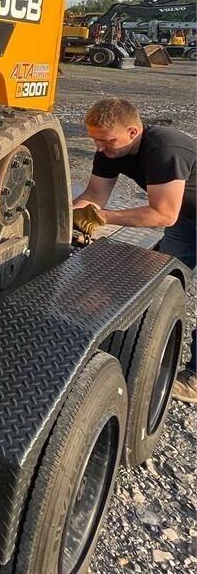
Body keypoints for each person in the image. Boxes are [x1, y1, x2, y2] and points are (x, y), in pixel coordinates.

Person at [73, 98, 196, 403]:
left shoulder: (165, 148)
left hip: (176, 215)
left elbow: (163, 214)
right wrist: (69, 217)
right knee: (163, 285)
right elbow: (94, 195)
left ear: (132, 131)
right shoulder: (109, 150)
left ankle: (195, 379)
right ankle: (142, 350)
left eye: (106, 140)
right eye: (94, 140)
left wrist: (105, 217)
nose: (100, 147)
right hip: (187, 220)